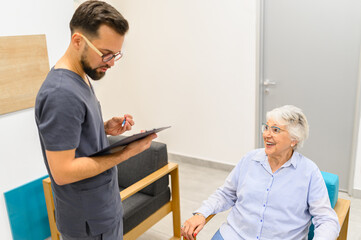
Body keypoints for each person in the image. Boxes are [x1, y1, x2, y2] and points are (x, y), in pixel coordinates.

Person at [35, 1, 157, 239]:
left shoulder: (81, 77)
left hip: (102, 209)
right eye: (106, 54)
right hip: (88, 222)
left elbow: (73, 137)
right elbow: (62, 171)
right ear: (78, 41)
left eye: (116, 54)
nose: (111, 62)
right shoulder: (61, 93)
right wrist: (126, 153)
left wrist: (103, 129)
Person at [181, 105, 340, 240]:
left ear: (294, 139)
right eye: (266, 127)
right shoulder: (250, 159)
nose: (266, 134)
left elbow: (326, 219)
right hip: (234, 234)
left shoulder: (309, 172)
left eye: (275, 130)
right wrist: (201, 213)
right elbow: (226, 193)